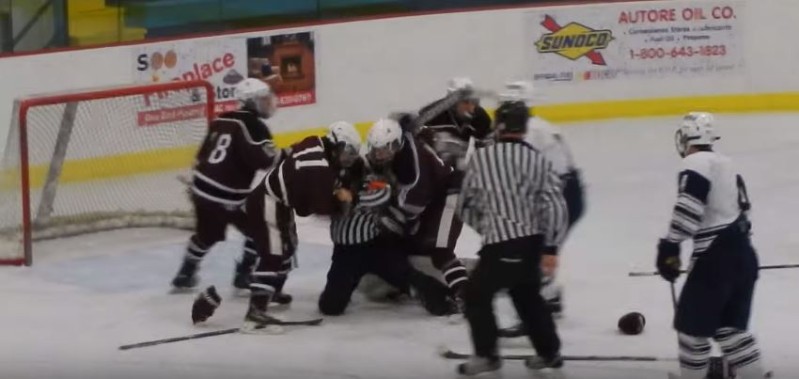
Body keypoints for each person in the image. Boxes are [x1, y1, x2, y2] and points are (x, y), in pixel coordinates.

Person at [191, 121, 362, 330]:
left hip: (278, 202)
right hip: (268, 202)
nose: (349, 159)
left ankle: (270, 292)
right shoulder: (320, 170)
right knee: (273, 255)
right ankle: (256, 312)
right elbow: (314, 209)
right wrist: (342, 200)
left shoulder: (315, 142)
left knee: (288, 248)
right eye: (347, 152)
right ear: (336, 146)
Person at [455, 99, 568, 376]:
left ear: (500, 124)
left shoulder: (482, 158)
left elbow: (464, 205)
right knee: (526, 295)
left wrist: (487, 226)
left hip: (502, 242)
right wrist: (550, 247)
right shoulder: (536, 159)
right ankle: (549, 353)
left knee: (475, 294)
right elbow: (555, 204)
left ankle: (487, 355)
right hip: (533, 243)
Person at [656, 112, 766, 379]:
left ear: (686, 137)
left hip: (716, 261)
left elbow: (688, 209)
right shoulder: (727, 164)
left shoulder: (695, 163)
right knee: (730, 331)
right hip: (744, 254)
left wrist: (670, 247)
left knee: (691, 333)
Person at [318, 123, 454, 316]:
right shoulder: (329, 175)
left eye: (351, 152)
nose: (348, 156)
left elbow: (383, 192)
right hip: (344, 253)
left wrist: (351, 198)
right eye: (345, 152)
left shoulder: (363, 168)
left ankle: (445, 297)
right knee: (330, 307)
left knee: (407, 276)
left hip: (374, 245)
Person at [171, 78, 282, 290]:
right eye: (264, 99)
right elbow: (263, 160)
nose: (269, 103)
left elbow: (202, 156)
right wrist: (286, 155)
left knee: (207, 234)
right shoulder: (255, 126)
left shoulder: (221, 120)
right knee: (260, 228)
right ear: (251, 102)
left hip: (201, 189)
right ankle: (244, 274)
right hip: (227, 196)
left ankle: (186, 272)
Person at [496, 81, 585, 337]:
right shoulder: (541, 127)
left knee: (529, 256)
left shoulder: (530, 130)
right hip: (570, 192)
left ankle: (535, 317)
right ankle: (550, 297)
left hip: (558, 195)